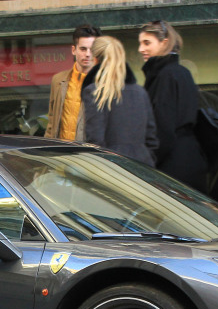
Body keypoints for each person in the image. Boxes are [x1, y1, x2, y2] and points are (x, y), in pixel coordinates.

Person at [138, 20, 207, 191]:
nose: (141, 49)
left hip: (171, 169)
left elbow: (163, 129)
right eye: (140, 43)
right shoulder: (182, 73)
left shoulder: (165, 76)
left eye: (147, 43)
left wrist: (145, 164)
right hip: (190, 161)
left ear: (164, 42)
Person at [79, 36, 157, 165]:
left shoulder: (95, 92)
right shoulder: (140, 92)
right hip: (143, 168)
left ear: (95, 59)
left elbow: (95, 140)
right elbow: (151, 140)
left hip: (113, 170)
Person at [46, 23, 101, 141]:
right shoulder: (58, 80)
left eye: (92, 50)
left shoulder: (105, 84)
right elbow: (51, 122)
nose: (87, 54)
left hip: (89, 155)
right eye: (83, 49)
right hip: (59, 153)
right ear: (73, 50)